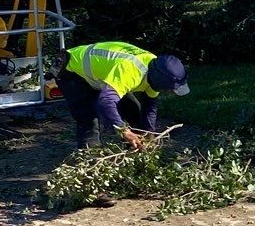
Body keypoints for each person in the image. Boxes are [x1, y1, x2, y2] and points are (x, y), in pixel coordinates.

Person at [57, 40, 190, 150]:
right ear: (159, 82)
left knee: (133, 110)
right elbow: (105, 102)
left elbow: (149, 107)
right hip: (72, 71)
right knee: (89, 121)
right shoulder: (131, 72)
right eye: (168, 89)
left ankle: (135, 151)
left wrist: (148, 134)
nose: (168, 92)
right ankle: (89, 164)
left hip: (101, 76)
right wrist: (123, 131)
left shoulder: (156, 69)